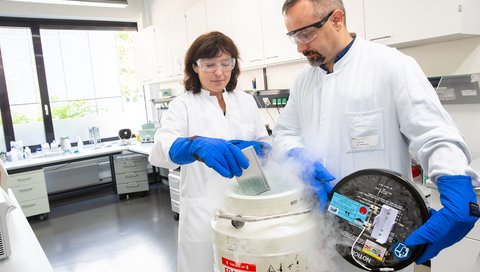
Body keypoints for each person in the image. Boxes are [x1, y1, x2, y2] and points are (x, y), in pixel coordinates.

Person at [274, 0, 480, 271]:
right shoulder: (304, 81)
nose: (301, 47)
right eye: (294, 36)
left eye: (305, 34)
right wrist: (297, 156)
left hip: (380, 232)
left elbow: (433, 133)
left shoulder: (391, 65)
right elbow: (285, 133)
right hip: (320, 232)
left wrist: (455, 180)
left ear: (336, 19)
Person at [148, 31, 271, 272]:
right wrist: (193, 146)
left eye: (226, 64)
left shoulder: (245, 102)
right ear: (195, 66)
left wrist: (264, 149)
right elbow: (161, 148)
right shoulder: (182, 105)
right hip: (203, 211)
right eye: (210, 64)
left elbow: (264, 142)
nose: (219, 72)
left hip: (246, 205)